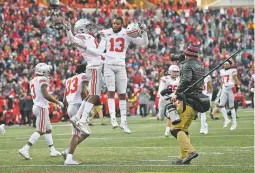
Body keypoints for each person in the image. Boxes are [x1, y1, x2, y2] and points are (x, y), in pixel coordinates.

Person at [77, 16, 148, 134]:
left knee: (122, 93)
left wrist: (144, 32)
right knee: (110, 91)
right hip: (108, 65)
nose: (115, 25)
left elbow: (144, 44)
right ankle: (113, 119)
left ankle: (124, 122)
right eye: (114, 23)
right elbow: (99, 51)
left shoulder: (127, 33)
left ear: (122, 24)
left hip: (121, 66)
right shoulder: (106, 33)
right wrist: (86, 47)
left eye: (117, 24)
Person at [63, 18, 104, 135]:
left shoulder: (89, 37)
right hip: (93, 67)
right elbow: (72, 39)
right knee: (94, 95)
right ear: (82, 28)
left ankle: (77, 118)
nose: (90, 28)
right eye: (87, 26)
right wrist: (68, 30)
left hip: (96, 66)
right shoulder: (81, 37)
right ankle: (82, 119)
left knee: (93, 95)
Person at [19, 63, 64, 160]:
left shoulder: (33, 80)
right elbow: (45, 94)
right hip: (41, 107)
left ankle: (52, 150)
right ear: (43, 71)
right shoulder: (42, 79)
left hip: (37, 106)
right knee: (41, 130)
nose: (48, 73)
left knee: (48, 129)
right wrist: (57, 102)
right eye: (47, 71)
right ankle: (25, 148)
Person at [170, 45, 204, 165]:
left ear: (187, 54)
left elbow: (185, 80)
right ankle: (183, 157)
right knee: (184, 129)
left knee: (175, 129)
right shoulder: (200, 65)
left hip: (187, 101)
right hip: (197, 100)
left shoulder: (186, 64)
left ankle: (190, 151)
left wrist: (176, 94)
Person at [62, 64, 90, 165]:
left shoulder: (69, 80)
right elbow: (83, 92)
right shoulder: (83, 76)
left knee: (85, 132)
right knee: (77, 134)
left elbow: (64, 100)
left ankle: (67, 151)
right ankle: (69, 159)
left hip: (71, 106)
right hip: (78, 106)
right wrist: (86, 107)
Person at [157, 65, 180, 137]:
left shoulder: (179, 80)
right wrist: (167, 97)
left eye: (177, 72)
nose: (175, 73)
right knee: (161, 118)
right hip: (164, 99)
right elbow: (160, 92)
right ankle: (158, 116)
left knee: (172, 115)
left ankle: (167, 131)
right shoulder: (165, 79)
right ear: (170, 72)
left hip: (173, 100)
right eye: (174, 72)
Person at [218, 60, 240, 130]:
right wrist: (221, 88)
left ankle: (234, 123)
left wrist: (236, 87)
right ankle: (226, 119)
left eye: (227, 64)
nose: (226, 65)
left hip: (230, 89)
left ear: (230, 65)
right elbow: (222, 81)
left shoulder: (233, 70)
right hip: (224, 88)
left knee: (231, 107)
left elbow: (236, 80)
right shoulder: (221, 71)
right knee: (221, 105)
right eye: (225, 64)